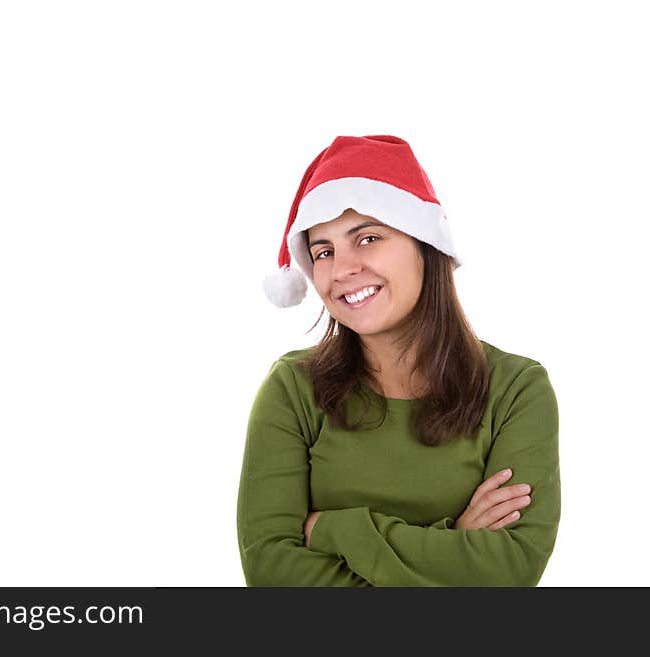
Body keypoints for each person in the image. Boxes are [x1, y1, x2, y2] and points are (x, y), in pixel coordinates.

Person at [236, 134, 560, 586]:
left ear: (425, 245)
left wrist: (333, 529)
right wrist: (456, 541)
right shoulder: (292, 388)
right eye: (323, 251)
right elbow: (272, 574)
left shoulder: (516, 389)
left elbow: (509, 570)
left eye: (367, 238)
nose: (343, 268)